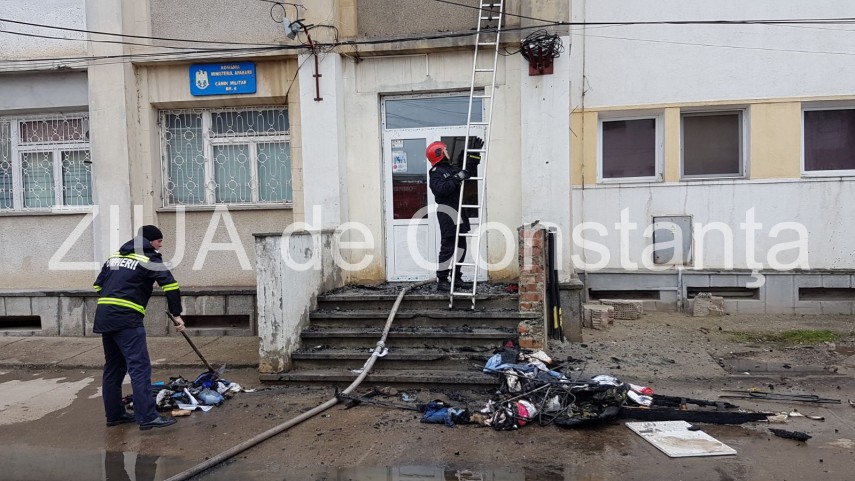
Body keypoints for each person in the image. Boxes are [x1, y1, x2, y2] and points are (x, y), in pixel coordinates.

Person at [93, 225, 185, 430]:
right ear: (150, 241)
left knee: (113, 367)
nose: (160, 246)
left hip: (105, 316)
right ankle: (147, 417)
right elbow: (171, 285)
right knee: (139, 368)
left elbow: (98, 285)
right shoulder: (150, 258)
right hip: (127, 319)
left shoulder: (115, 257)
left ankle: (115, 415)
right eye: (159, 241)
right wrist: (177, 314)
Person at [427, 136, 483, 292]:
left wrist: (473, 154)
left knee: (461, 246)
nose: (447, 151)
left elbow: (468, 171)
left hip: (459, 211)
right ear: (439, 153)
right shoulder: (436, 173)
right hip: (447, 212)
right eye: (444, 149)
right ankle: (442, 279)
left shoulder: (450, 169)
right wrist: (457, 179)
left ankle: (457, 277)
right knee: (448, 246)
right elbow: (441, 190)